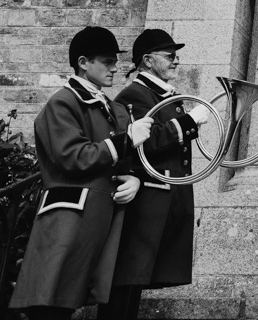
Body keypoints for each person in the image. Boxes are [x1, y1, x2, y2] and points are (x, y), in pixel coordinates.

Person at [10, 26, 153, 320]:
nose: (115, 67)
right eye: (106, 61)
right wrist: (126, 141)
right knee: (51, 305)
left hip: (100, 216)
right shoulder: (63, 102)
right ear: (83, 62)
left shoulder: (114, 108)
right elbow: (72, 157)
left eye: (115, 60)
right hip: (69, 217)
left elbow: (120, 162)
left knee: (73, 300)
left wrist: (134, 178)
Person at [97, 29, 209, 320]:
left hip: (162, 199)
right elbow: (144, 144)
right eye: (170, 56)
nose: (176, 61)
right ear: (147, 60)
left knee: (135, 282)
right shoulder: (134, 94)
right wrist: (187, 122)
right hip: (146, 198)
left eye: (176, 56)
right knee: (125, 280)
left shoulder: (161, 96)